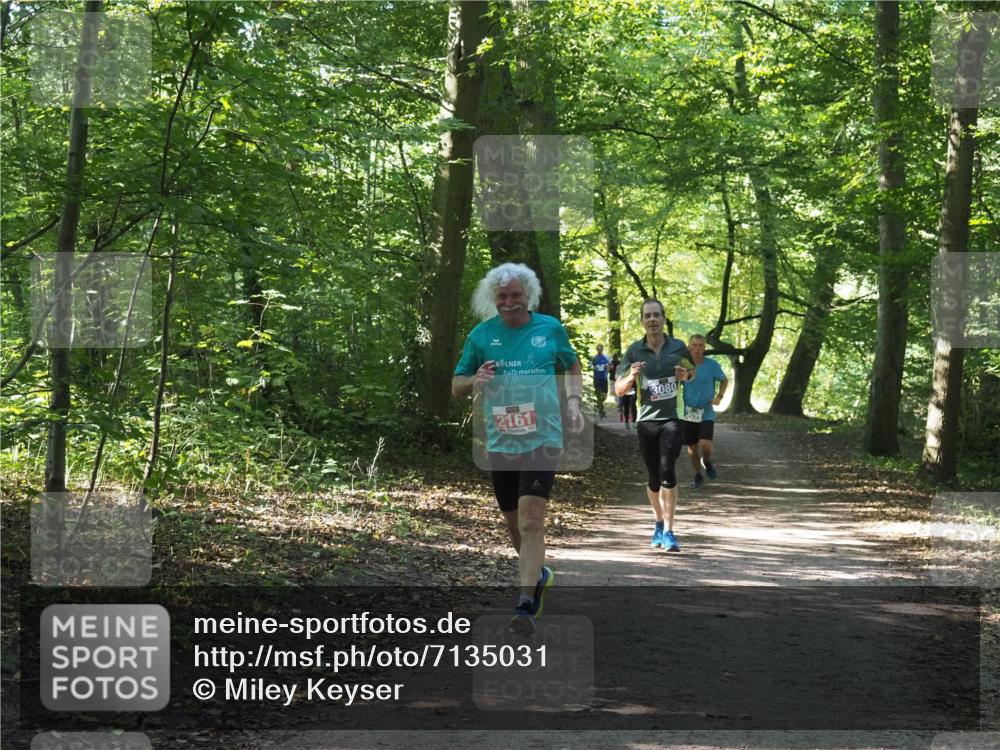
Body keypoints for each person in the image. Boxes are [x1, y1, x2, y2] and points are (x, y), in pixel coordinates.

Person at [452, 263, 584, 635]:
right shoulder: (481, 336)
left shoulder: (549, 329)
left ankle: (525, 604)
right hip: (501, 440)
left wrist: (573, 402)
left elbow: (571, 365)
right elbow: (455, 384)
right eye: (502, 297)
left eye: (515, 295)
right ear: (494, 299)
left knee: (530, 519)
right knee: (512, 521)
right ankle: (538, 572)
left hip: (543, 437)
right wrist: (474, 380)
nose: (509, 303)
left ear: (528, 295)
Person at [616, 300, 694, 552]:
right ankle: (658, 523)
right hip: (646, 420)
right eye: (647, 316)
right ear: (642, 321)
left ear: (663, 318)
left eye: (656, 315)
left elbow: (691, 373)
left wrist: (686, 376)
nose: (652, 319)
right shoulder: (633, 351)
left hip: (672, 418)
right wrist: (631, 377)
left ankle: (670, 532)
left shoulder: (678, 347)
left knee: (667, 470)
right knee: (653, 478)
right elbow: (619, 389)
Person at [682, 334, 728, 489]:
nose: (697, 348)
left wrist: (719, 396)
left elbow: (724, 379)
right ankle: (697, 475)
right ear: (689, 347)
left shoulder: (712, 365)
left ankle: (707, 461)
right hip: (688, 412)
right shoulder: (683, 365)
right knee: (693, 448)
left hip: (706, 411)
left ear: (704, 348)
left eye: (700, 345)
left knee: (706, 445)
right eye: (694, 345)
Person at [591, 344, 610, 419]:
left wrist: (608, 367)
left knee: (604, 396)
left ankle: (598, 403)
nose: (599, 350)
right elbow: (590, 366)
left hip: (604, 378)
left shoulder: (606, 357)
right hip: (596, 379)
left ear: (602, 349)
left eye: (601, 349)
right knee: (599, 395)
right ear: (596, 349)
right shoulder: (594, 358)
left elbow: (611, 366)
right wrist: (594, 367)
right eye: (598, 349)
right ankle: (601, 412)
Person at [609, 351, 623, 421]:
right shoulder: (611, 362)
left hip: (617, 379)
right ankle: (619, 405)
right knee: (614, 393)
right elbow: (609, 369)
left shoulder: (619, 363)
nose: (615, 357)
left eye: (615, 356)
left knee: (616, 393)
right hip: (612, 379)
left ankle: (619, 405)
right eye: (614, 356)